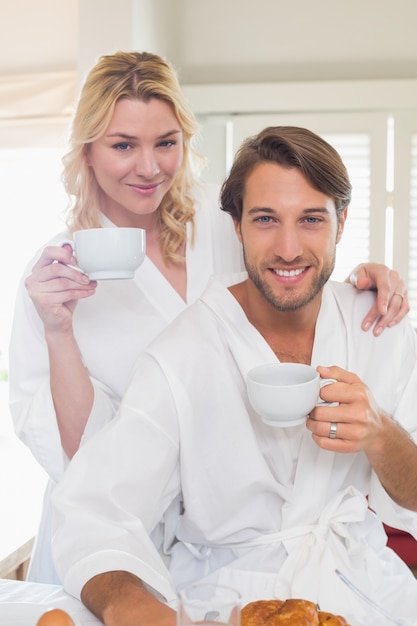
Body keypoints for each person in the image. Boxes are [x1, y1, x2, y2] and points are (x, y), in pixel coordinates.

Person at [8, 51, 408, 584]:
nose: (149, 168)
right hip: (121, 527)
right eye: (124, 145)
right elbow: (84, 459)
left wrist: (366, 279)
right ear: (86, 149)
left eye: (166, 143)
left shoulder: (227, 226)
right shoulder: (54, 278)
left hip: (231, 531)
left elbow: (297, 264)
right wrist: (58, 332)